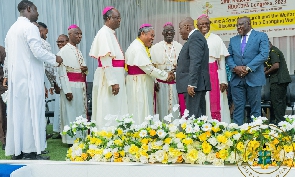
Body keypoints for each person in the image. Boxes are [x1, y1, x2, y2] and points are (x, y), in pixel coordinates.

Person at [5, 0, 62, 160]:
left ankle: (18, 151)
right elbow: (37, 51)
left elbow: (9, 57)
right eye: (36, 10)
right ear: (28, 9)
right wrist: (55, 58)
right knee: (32, 113)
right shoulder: (30, 27)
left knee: (19, 115)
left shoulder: (11, 29)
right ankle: (30, 151)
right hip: (30, 78)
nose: (38, 13)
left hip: (17, 80)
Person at [125, 23, 174, 124]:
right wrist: (166, 75)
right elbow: (149, 68)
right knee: (141, 111)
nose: (152, 38)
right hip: (138, 84)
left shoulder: (140, 46)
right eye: (151, 35)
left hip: (140, 81)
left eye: (153, 36)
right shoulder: (138, 48)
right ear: (143, 34)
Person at [89, 6, 128, 129]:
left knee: (115, 106)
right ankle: (107, 134)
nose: (119, 20)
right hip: (109, 78)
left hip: (115, 75)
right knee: (108, 106)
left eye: (120, 18)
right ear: (108, 18)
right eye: (117, 18)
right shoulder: (104, 33)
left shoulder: (109, 33)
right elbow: (106, 60)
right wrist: (113, 82)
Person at [226, 16, 269, 125]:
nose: (238, 27)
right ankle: (237, 134)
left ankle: (255, 134)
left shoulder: (261, 36)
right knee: (238, 108)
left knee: (255, 108)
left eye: (241, 24)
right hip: (237, 79)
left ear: (248, 24)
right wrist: (235, 68)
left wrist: (248, 68)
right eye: (237, 25)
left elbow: (264, 54)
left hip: (254, 77)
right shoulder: (233, 39)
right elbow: (228, 56)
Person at [196, 14, 230, 123]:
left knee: (216, 101)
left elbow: (221, 62)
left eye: (207, 23)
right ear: (197, 25)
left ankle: (217, 126)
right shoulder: (194, 39)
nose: (204, 26)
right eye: (202, 24)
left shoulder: (216, 39)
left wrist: (224, 80)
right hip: (198, 75)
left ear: (210, 24)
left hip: (214, 74)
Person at [57, 25, 87, 146]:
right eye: (77, 34)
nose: (79, 36)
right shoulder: (63, 51)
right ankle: (71, 139)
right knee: (70, 112)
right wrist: (67, 90)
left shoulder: (77, 50)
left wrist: (85, 70)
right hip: (70, 86)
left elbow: (81, 69)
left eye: (80, 34)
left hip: (80, 85)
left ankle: (81, 137)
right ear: (70, 34)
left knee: (79, 111)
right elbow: (62, 73)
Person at [176, 17, 211, 118]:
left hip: (194, 85)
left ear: (187, 27)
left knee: (193, 116)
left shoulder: (195, 37)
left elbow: (195, 61)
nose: (180, 32)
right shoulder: (196, 37)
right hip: (196, 84)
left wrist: (192, 84)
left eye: (180, 28)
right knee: (198, 116)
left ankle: (196, 134)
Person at [150, 22, 183, 120]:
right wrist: (154, 81)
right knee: (162, 106)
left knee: (175, 106)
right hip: (161, 83)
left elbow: (183, 65)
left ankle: (176, 128)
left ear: (174, 33)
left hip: (175, 82)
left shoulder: (179, 46)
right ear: (162, 33)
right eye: (166, 31)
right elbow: (152, 66)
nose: (169, 33)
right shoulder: (155, 47)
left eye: (171, 31)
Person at [265, 41, 291, 124]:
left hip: (278, 81)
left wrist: (266, 73)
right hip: (281, 80)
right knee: (280, 102)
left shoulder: (273, 52)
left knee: (277, 102)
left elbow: (276, 66)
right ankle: (281, 122)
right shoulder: (274, 50)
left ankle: (280, 122)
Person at [52, 34, 69, 139]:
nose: (60, 44)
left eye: (62, 41)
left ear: (67, 41)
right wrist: (55, 84)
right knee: (59, 109)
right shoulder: (58, 54)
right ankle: (59, 131)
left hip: (68, 85)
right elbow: (54, 72)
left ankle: (65, 131)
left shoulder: (69, 53)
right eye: (58, 42)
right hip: (60, 85)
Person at [0, 46, 7, 151]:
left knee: (1, 113)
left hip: (1, 85)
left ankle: (4, 139)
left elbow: (6, 64)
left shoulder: (1, 50)